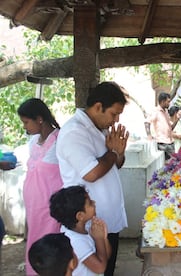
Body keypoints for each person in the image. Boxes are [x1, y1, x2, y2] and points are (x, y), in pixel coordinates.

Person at [56, 81, 129, 276]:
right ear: (98, 107)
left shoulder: (101, 128)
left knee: (108, 266)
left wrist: (119, 154)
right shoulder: (75, 132)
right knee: (96, 270)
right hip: (87, 220)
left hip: (106, 216)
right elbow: (92, 173)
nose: (115, 120)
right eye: (114, 114)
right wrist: (113, 152)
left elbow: (114, 165)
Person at [17, 98, 63, 276]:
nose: (24, 126)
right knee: (35, 243)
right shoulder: (33, 142)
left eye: (26, 122)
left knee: (50, 245)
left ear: (39, 119)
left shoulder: (59, 141)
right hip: (34, 207)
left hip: (50, 209)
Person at [50, 186, 111, 276]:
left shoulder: (86, 228)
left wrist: (103, 238)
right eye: (90, 203)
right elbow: (100, 268)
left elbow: (106, 255)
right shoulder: (76, 241)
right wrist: (99, 239)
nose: (94, 203)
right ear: (80, 216)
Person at [145, 92, 179, 161]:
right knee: (163, 165)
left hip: (170, 142)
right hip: (161, 143)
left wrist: (176, 120)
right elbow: (147, 122)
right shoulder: (155, 111)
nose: (169, 104)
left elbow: (170, 128)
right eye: (168, 102)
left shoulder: (166, 112)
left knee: (173, 164)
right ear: (163, 101)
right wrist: (149, 135)